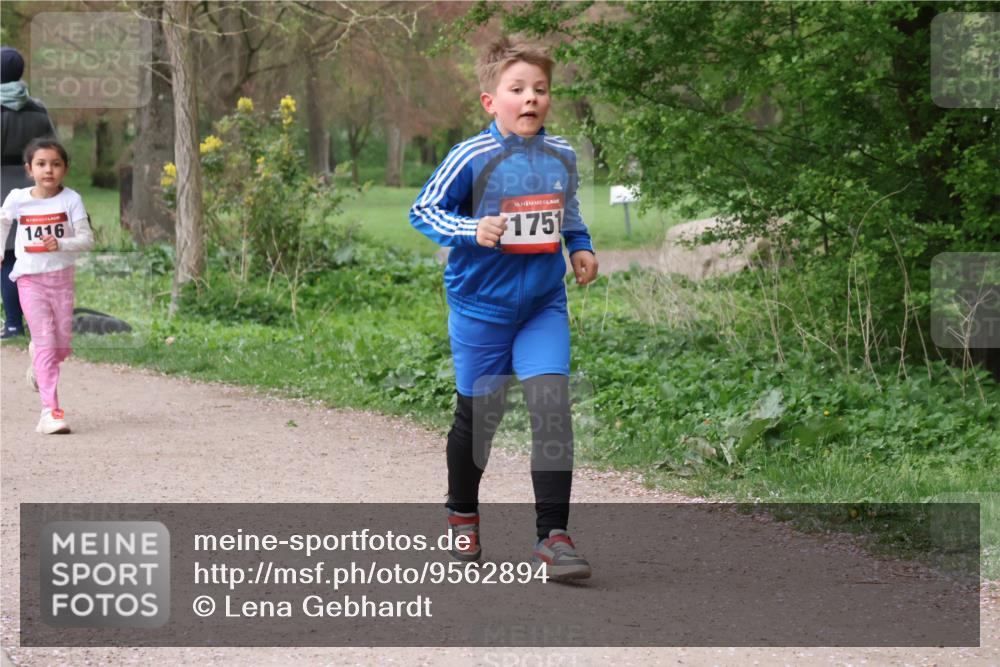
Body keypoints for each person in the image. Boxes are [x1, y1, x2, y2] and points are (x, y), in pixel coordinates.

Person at [409, 36, 599, 580]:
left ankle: (553, 537)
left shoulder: (561, 154)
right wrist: (472, 228)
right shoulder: (470, 156)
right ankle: (462, 513)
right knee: (479, 420)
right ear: (491, 101)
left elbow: (567, 210)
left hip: (542, 305)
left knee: (551, 408)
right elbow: (424, 210)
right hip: (480, 308)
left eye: (540, 89)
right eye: (517, 89)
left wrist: (579, 245)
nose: (531, 98)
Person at [0, 138, 93, 434]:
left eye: (56, 164)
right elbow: (2, 222)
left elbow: (87, 240)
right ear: (29, 169)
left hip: (61, 279)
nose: (48, 170)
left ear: (65, 169)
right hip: (29, 279)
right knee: (45, 343)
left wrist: (61, 243)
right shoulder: (18, 198)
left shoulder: (71, 200)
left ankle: (38, 360)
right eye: (41, 164)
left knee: (60, 347)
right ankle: (50, 412)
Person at [1, 47, 57, 340]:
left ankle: (13, 324)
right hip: (33, 189)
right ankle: (36, 323)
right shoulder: (38, 110)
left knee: (7, 258)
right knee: (29, 257)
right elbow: (53, 150)